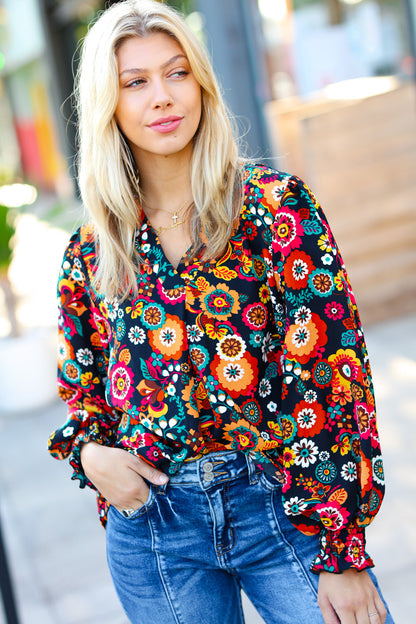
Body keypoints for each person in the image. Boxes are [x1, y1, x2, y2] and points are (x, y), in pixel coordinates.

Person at [48, 1, 394, 623]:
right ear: (109, 104)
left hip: (285, 510)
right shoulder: (92, 252)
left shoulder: (275, 211)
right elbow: (84, 393)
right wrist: (90, 456)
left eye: (177, 73)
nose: (162, 97)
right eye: (136, 82)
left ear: (202, 85)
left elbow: (338, 379)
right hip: (157, 532)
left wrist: (343, 552)